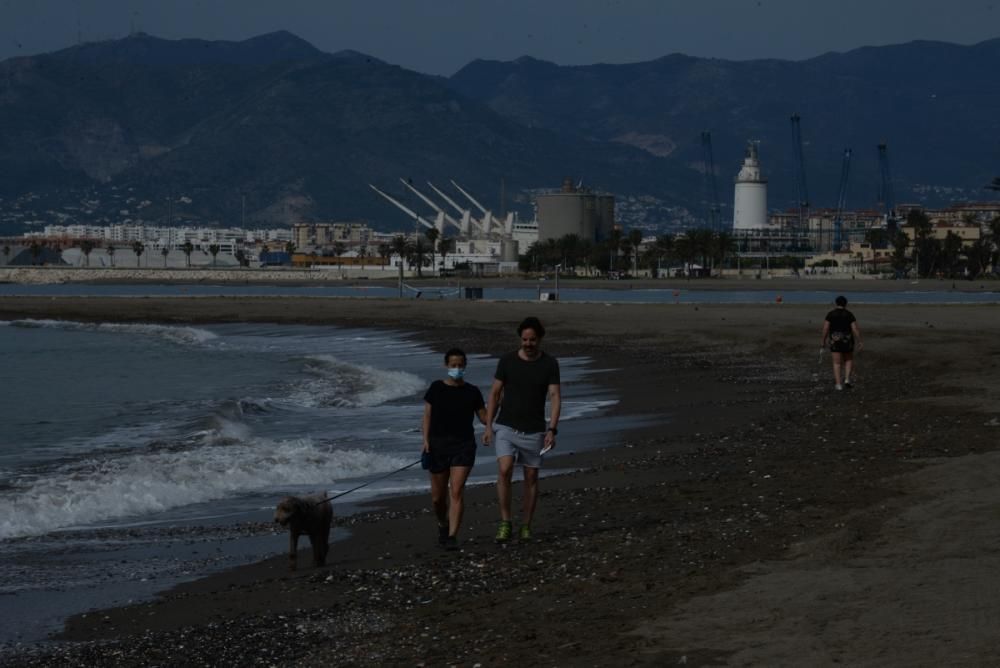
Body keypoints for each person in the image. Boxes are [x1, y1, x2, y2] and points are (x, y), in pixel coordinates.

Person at [483, 316, 561, 542]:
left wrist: (552, 429)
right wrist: (489, 426)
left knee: (531, 477)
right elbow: (495, 393)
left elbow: (555, 396)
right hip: (506, 425)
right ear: (520, 339)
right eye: (525, 339)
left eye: (532, 340)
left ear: (540, 339)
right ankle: (505, 521)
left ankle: (526, 525)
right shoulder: (507, 361)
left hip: (535, 429)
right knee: (505, 468)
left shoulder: (549, 364)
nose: (528, 344)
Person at [422, 348, 487, 550]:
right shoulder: (436, 388)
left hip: (464, 446)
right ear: (446, 366)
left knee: (456, 491)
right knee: (437, 498)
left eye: (460, 365)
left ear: (465, 366)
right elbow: (427, 416)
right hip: (438, 445)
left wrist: (497, 405)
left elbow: (484, 418)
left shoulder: (472, 392)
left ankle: (452, 537)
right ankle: (443, 523)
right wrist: (425, 440)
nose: (457, 369)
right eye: (453, 365)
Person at [821, 295, 863, 391]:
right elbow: (855, 329)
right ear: (846, 304)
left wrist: (823, 340)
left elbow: (825, 328)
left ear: (836, 303)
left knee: (836, 363)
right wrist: (860, 340)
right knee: (848, 360)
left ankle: (838, 384)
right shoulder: (849, 314)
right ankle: (847, 379)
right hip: (847, 340)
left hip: (835, 340)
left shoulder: (831, 314)